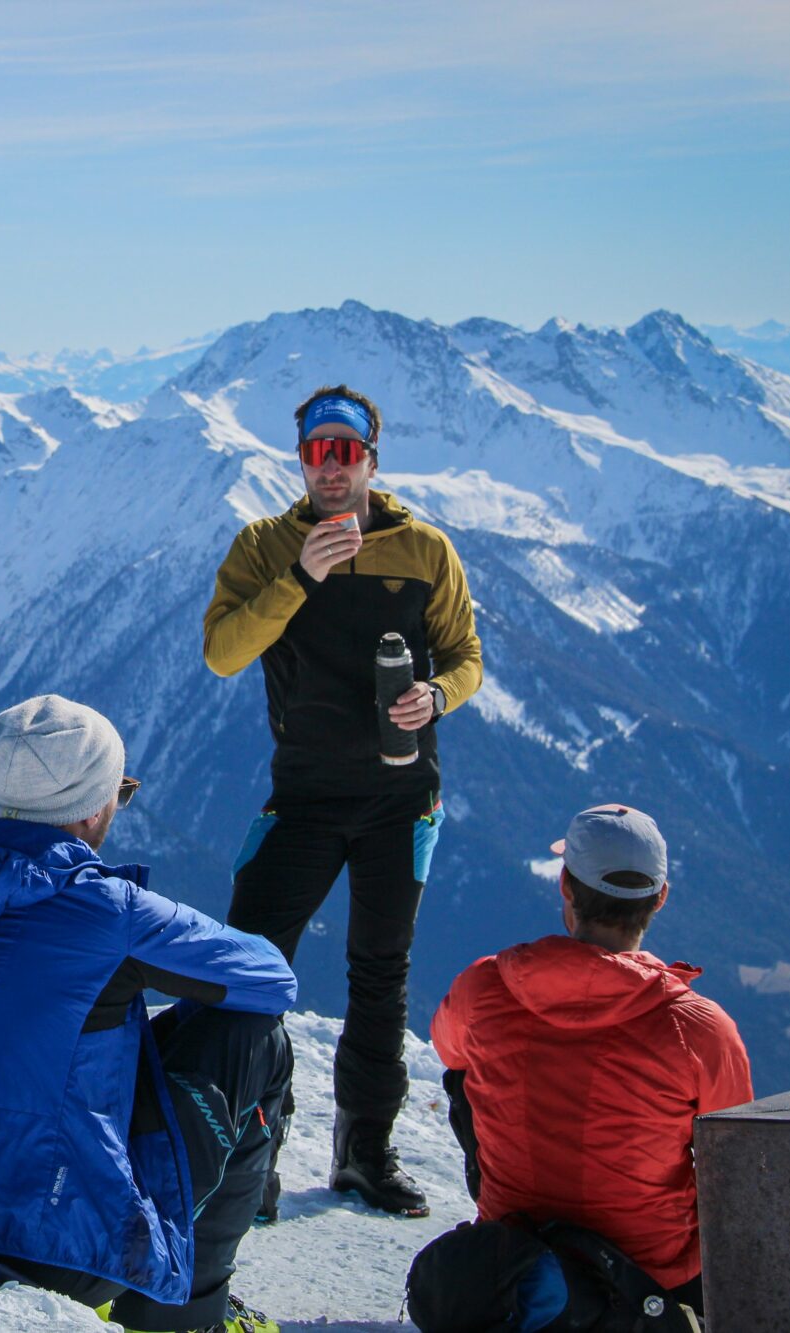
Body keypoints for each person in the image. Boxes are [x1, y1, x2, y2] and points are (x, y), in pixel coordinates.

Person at [0, 695, 298, 1333]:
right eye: (120, 793)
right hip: (48, 1247)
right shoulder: (108, 910)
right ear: (95, 804)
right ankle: (190, 1314)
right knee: (253, 1036)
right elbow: (270, 980)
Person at [202, 383, 483, 1219]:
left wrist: (438, 696)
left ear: (370, 457)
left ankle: (364, 1151)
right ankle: (248, 1149)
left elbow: (467, 655)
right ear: (301, 460)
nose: (331, 466)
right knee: (249, 964)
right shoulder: (263, 546)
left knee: (380, 975)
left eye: (346, 450)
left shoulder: (425, 547)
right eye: (316, 451)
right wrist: (300, 575)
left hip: (404, 797)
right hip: (307, 795)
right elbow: (223, 652)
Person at [431, 804, 752, 1317]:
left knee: (464, 1071)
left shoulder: (485, 986)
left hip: (514, 1257)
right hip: (653, 1281)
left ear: (565, 885)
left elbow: (449, 1052)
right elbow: (738, 1156)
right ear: (661, 898)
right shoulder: (700, 1028)